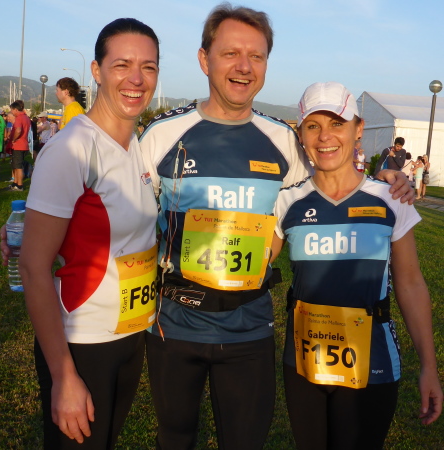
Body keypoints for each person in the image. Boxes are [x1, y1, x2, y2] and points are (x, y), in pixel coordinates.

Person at [139, 5, 415, 449]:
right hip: (176, 323)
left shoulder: (285, 140)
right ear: (204, 59)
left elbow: (330, 176)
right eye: (230, 53)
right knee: (174, 439)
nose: (244, 67)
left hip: (249, 328)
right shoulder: (162, 134)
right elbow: (127, 216)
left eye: (257, 56)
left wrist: (385, 178)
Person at [13, 18, 159, 449]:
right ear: (96, 71)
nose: (136, 79)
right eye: (122, 65)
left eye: (148, 67)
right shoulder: (72, 148)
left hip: (131, 334)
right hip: (82, 340)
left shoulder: (139, 145)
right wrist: (63, 375)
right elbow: (33, 266)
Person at [272, 81, 442, 449]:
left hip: (373, 361)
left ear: (358, 129)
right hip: (304, 361)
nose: (325, 136)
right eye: (313, 126)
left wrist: (429, 366)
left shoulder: (391, 198)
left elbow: (411, 284)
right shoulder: (287, 202)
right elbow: (253, 268)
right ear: (301, 135)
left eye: (337, 123)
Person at [8, 100, 31, 191]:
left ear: (16, 110)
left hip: (18, 145)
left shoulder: (19, 118)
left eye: (12, 110)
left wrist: (13, 139)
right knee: (16, 164)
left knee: (18, 166)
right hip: (24, 144)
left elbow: (18, 130)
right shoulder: (26, 117)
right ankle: (15, 183)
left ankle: (19, 185)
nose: (11, 112)